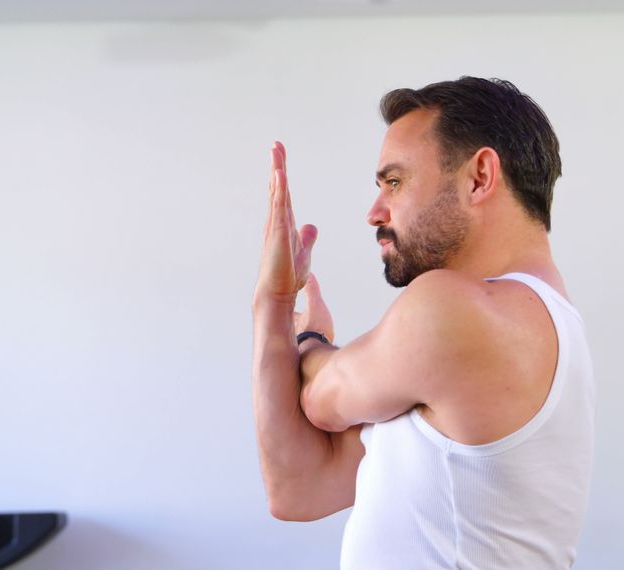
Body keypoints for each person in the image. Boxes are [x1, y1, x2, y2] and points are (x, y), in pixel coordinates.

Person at [251, 76, 595, 569]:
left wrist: (307, 338)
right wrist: (274, 303)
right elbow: (297, 489)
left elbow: (320, 401)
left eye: (395, 181)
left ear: (479, 177)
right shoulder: (533, 326)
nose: (374, 212)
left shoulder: (455, 312)